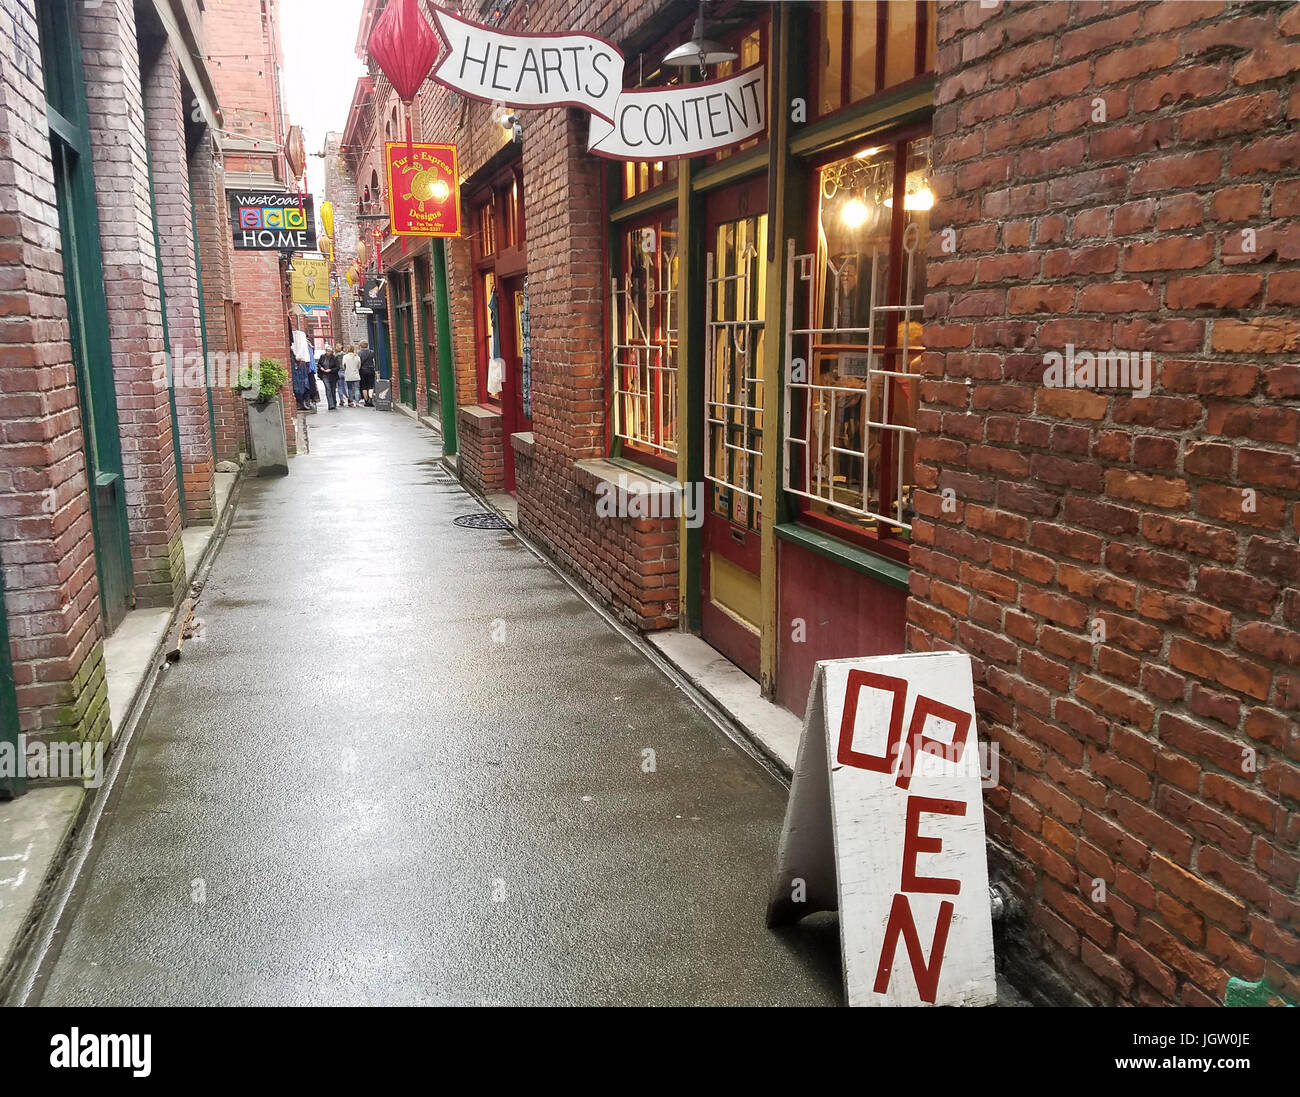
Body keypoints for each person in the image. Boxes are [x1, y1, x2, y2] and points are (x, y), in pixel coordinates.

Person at [318, 345, 339, 410]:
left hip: (333, 376)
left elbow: (337, 367)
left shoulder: (334, 358)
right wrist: (321, 367)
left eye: (329, 351)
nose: (328, 352)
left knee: (333, 390)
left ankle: (334, 402)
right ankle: (331, 404)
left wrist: (331, 370)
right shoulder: (322, 357)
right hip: (324, 375)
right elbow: (319, 364)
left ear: (332, 352)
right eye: (327, 351)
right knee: (328, 389)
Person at [358, 340, 377, 406]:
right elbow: (374, 361)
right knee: (370, 386)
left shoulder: (359, 353)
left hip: (362, 371)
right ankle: (370, 399)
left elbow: (359, 363)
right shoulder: (372, 352)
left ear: (360, 345)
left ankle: (366, 401)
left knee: (364, 386)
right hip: (371, 370)